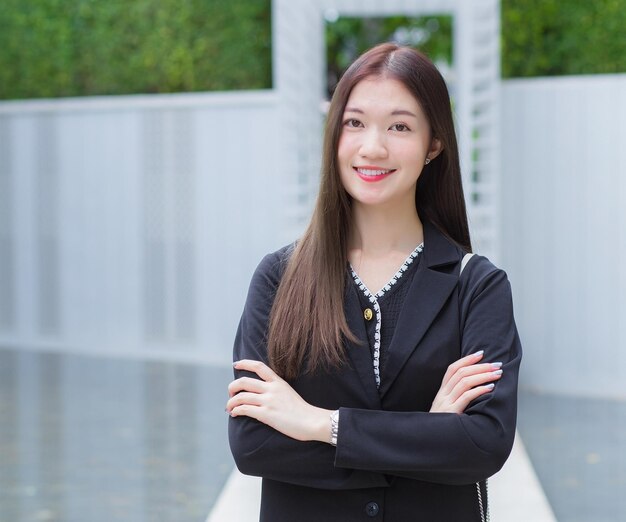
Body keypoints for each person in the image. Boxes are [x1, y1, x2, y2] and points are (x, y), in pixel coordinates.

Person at [226, 42, 522, 522]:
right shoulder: (279, 279)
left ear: (434, 144)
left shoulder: (477, 287)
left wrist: (321, 424)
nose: (373, 147)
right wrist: (427, 436)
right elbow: (254, 446)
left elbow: (484, 444)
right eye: (355, 123)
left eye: (400, 126)